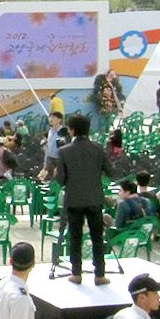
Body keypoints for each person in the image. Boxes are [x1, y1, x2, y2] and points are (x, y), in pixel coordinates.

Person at [56, 114, 113, 285]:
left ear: (71, 130)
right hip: (95, 198)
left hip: (74, 199)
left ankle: (76, 273)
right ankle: (100, 274)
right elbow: (110, 171)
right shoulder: (98, 148)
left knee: (75, 237)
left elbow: (61, 180)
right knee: (97, 237)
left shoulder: (64, 151)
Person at [38, 111, 68, 182]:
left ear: (60, 120)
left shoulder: (62, 132)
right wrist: (45, 163)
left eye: (53, 117)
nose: (51, 119)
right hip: (50, 160)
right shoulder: (50, 132)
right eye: (50, 117)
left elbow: (62, 149)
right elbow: (48, 148)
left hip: (59, 160)